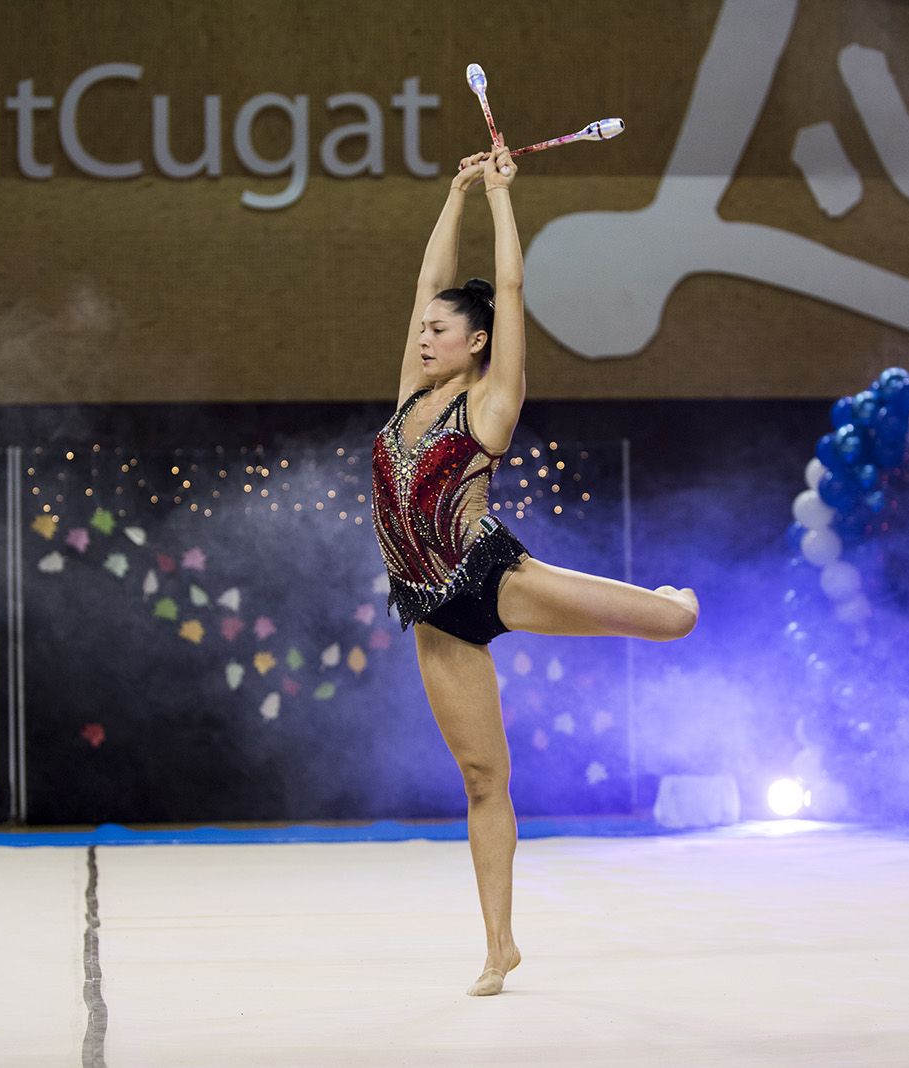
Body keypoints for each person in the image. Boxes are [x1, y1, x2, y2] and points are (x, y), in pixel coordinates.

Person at [371, 146, 699, 997]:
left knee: (672, 624)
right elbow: (425, 286)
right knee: (484, 778)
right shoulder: (411, 393)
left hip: (492, 577)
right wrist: (454, 191)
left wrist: (504, 199)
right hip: (432, 612)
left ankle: (668, 601)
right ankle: (499, 947)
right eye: (422, 330)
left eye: (439, 330)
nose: (422, 335)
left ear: (475, 342)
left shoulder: (491, 401)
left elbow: (509, 294)